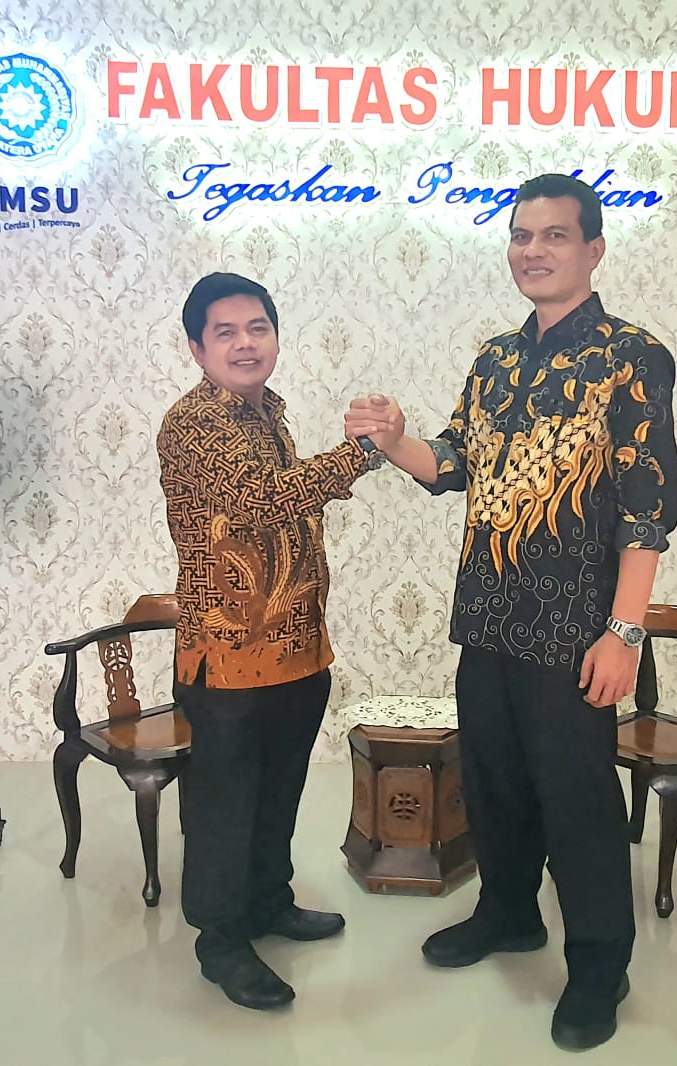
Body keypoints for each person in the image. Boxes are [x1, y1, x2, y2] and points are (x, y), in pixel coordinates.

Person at [344, 173, 677, 1051]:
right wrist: (394, 440)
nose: (533, 251)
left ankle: (599, 964)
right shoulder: (495, 359)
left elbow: (647, 510)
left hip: (576, 632)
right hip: (490, 619)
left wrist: (625, 632)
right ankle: (508, 913)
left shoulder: (631, 356)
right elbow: (452, 462)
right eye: (521, 236)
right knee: (493, 785)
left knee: (577, 803)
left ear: (593, 249)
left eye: (554, 235)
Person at [157, 272, 375, 1011]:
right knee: (224, 805)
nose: (246, 344)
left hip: (295, 645)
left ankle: (268, 902)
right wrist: (361, 453)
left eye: (258, 328)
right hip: (226, 654)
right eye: (226, 332)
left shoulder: (268, 414)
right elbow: (261, 501)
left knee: (278, 791)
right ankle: (220, 940)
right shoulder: (194, 423)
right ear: (197, 348)